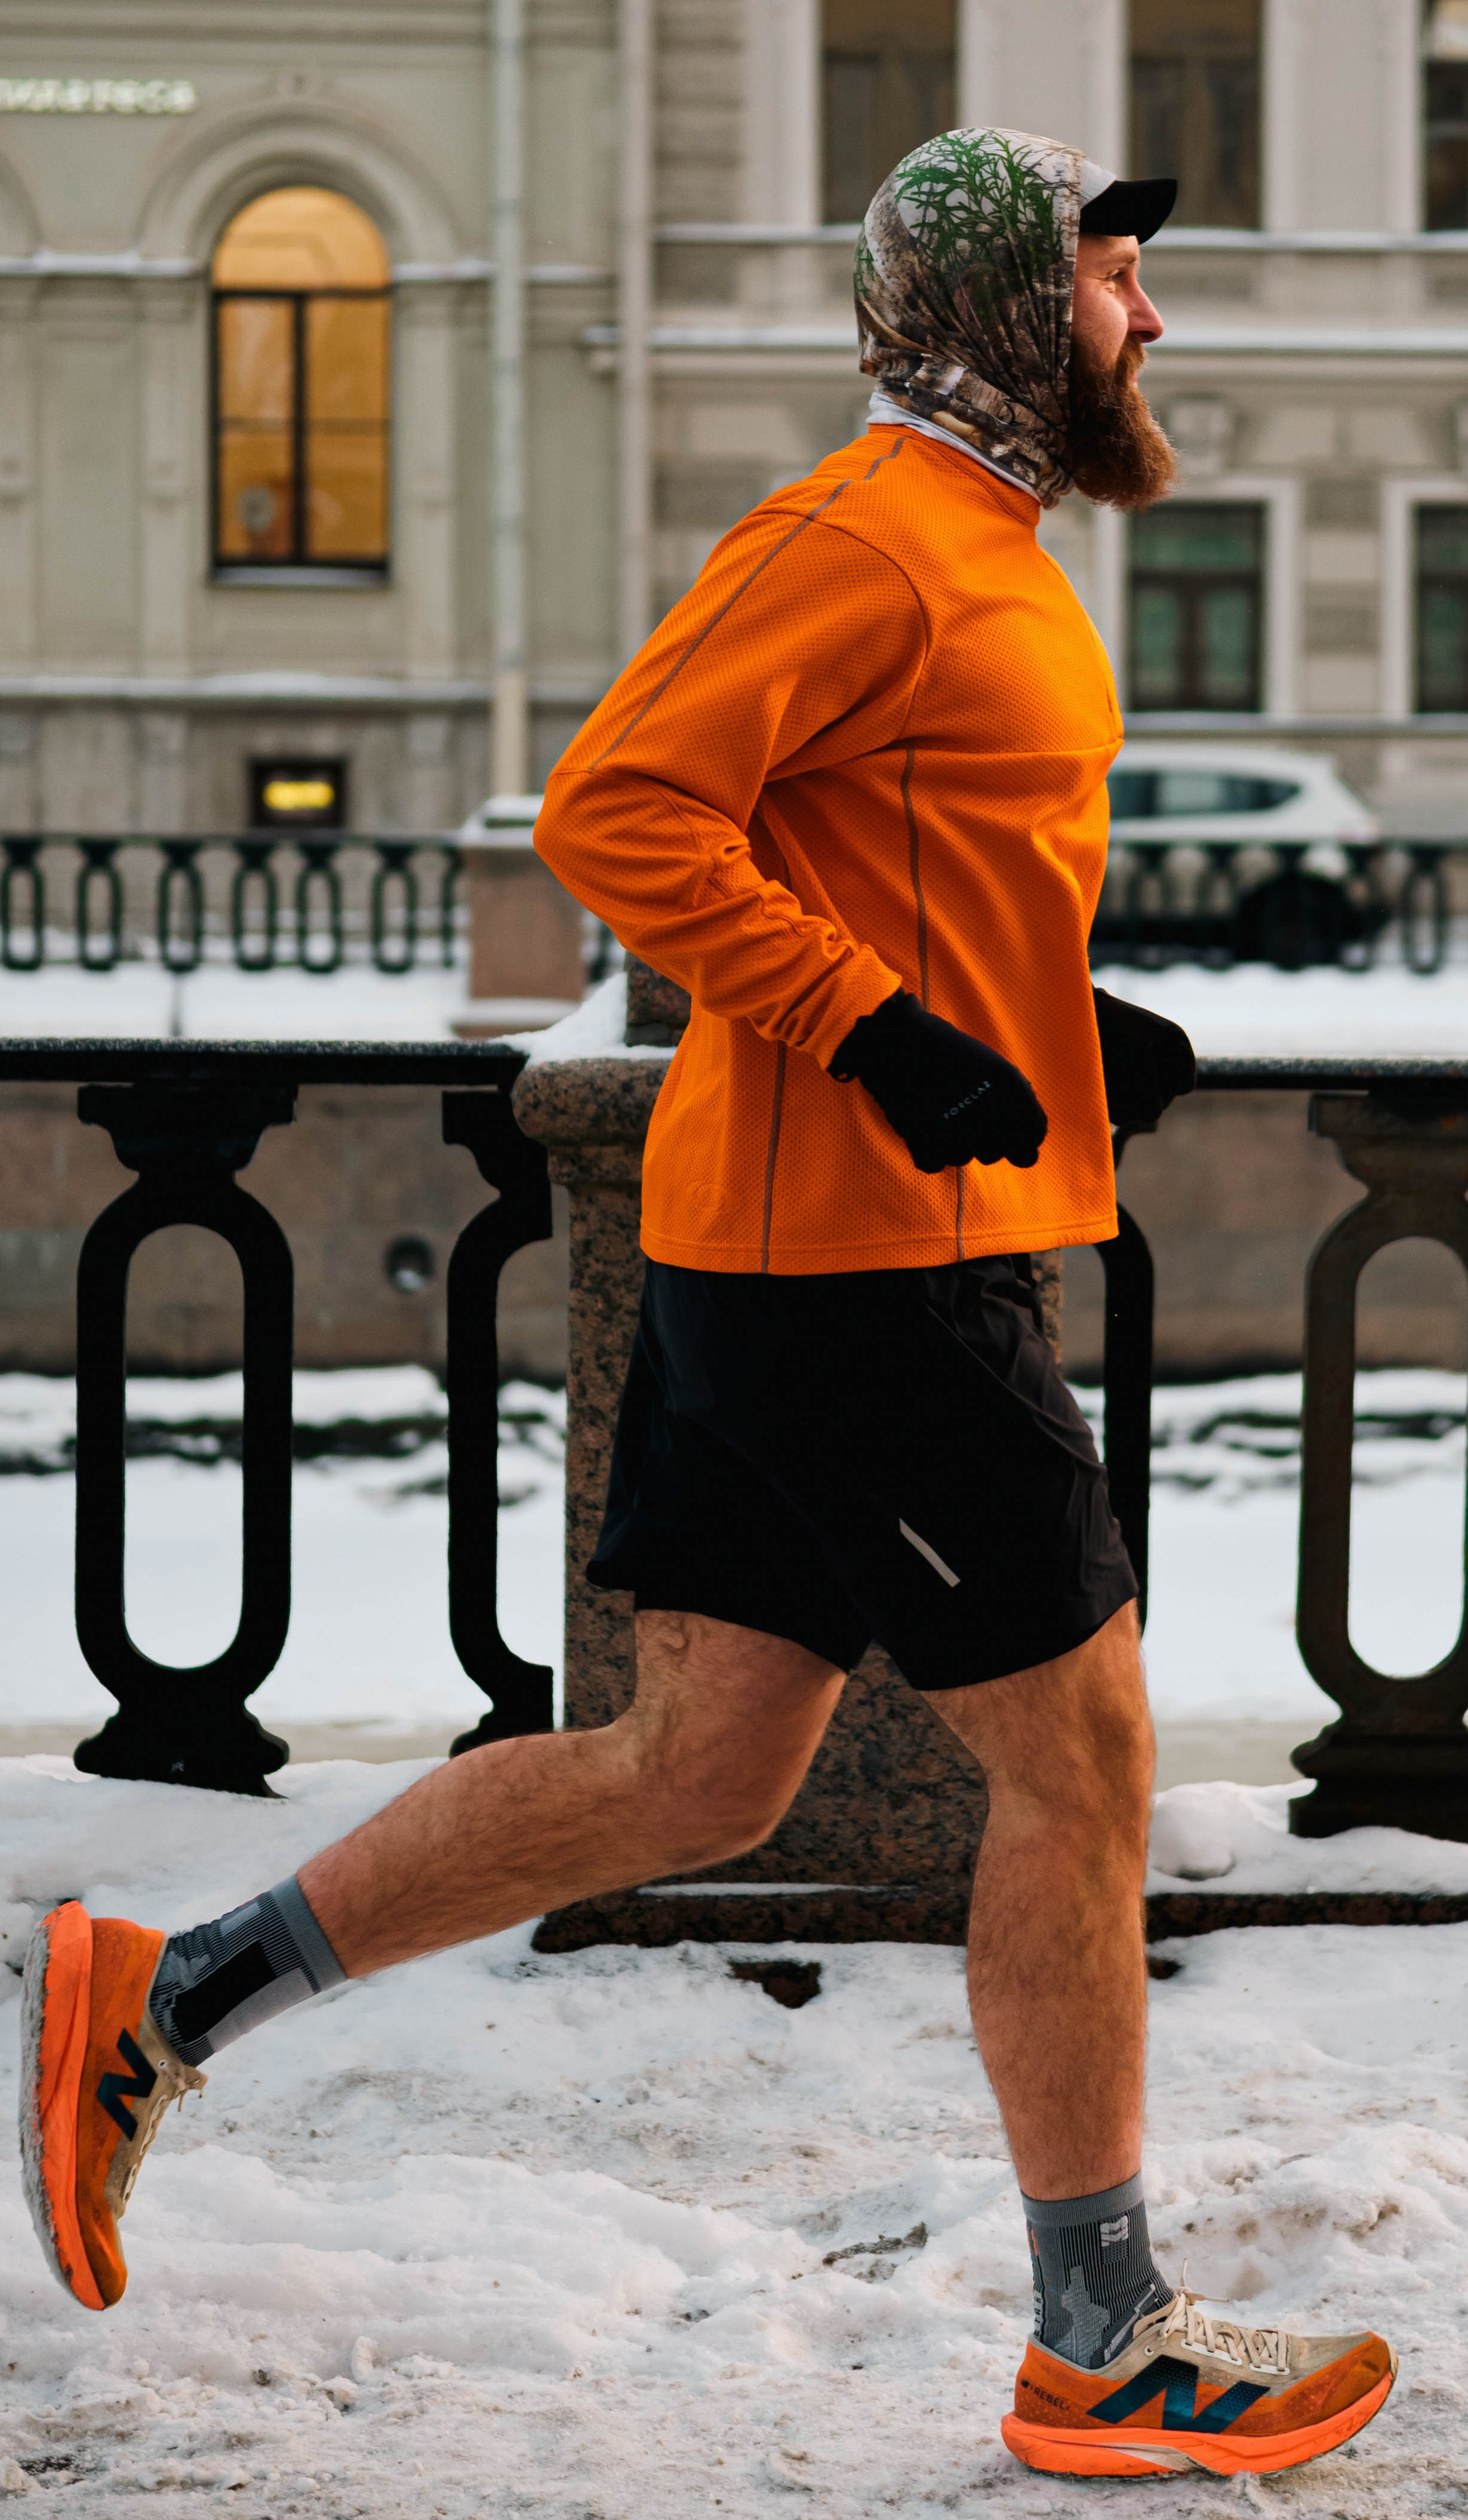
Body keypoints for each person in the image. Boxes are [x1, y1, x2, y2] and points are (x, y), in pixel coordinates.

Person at [20, 127, 1394, 2484]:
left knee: (698, 1773)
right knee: (1083, 1773)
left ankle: (165, 2000)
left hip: (824, 1252)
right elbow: (623, 809)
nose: (1151, 320)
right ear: (994, 307)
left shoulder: (983, 542)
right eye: (1117, 281)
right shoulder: (858, 534)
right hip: (871, 1270)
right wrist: (876, 1034)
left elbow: (915, 855)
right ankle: (1106, 2341)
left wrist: (1056, 1030)